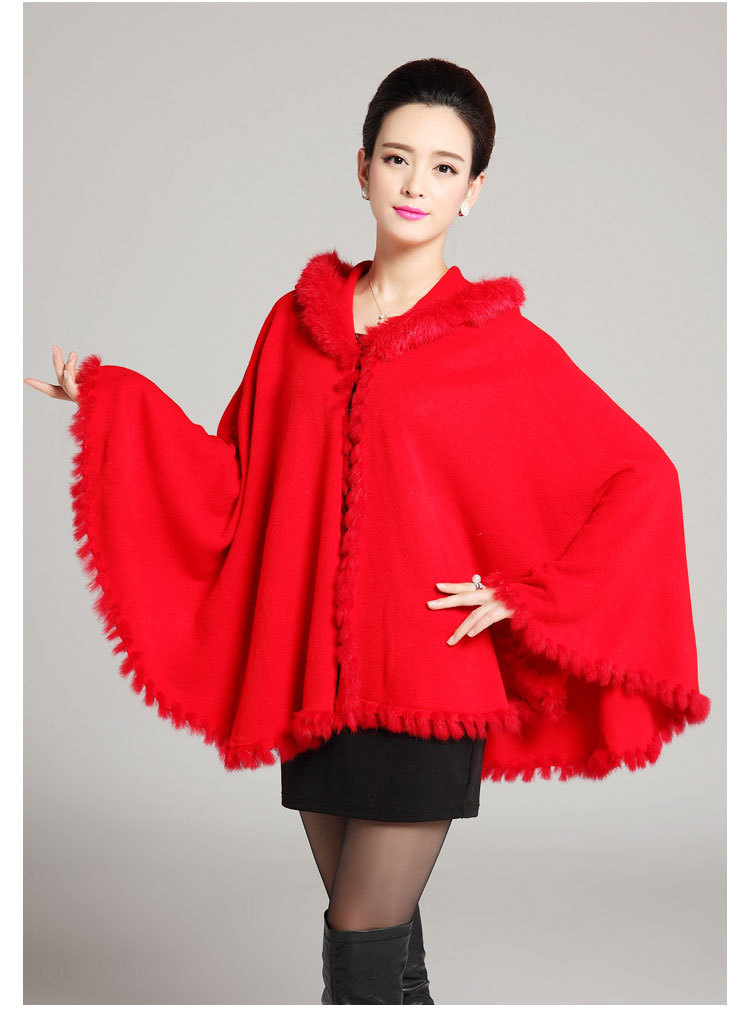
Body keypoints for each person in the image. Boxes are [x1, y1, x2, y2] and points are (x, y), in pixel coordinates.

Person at [24, 58, 711, 1006]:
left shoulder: (494, 341)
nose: (416, 183)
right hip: (313, 689)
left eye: (443, 166)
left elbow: (640, 477)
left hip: (427, 683)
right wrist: (116, 402)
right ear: (362, 167)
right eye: (397, 158)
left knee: (357, 948)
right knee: (388, 958)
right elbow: (234, 475)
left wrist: (526, 598)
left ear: (473, 190)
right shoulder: (294, 326)